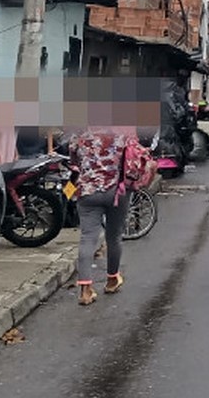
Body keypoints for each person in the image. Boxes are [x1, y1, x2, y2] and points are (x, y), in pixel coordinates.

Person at [66, 124, 150, 306]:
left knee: (87, 238)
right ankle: (112, 279)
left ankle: (85, 290)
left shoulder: (81, 130)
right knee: (114, 236)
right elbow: (135, 156)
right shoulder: (124, 129)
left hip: (88, 191)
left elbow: (73, 157)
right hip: (117, 191)